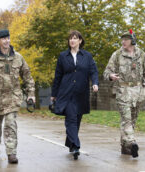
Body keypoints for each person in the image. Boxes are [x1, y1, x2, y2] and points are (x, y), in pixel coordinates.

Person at [0, 29, 35, 164]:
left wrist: (31, 94)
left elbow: (28, 77)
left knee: (10, 124)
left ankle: (11, 153)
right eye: (3, 39)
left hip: (13, 99)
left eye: (8, 38)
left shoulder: (18, 57)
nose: (6, 41)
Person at [103, 30, 145, 158]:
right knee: (127, 119)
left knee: (132, 120)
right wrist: (110, 76)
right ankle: (132, 142)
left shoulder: (141, 55)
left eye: (126, 39)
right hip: (123, 91)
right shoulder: (117, 54)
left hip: (138, 93)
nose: (123, 41)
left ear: (132, 40)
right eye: (122, 39)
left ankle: (125, 148)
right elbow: (106, 72)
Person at [51, 30, 99, 160]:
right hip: (66, 93)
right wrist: (54, 94)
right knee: (71, 119)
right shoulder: (63, 56)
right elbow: (58, 76)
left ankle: (70, 143)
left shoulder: (87, 56)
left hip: (81, 93)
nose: (72, 40)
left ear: (80, 41)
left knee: (77, 119)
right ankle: (77, 146)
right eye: (70, 38)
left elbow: (93, 71)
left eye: (75, 38)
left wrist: (95, 83)